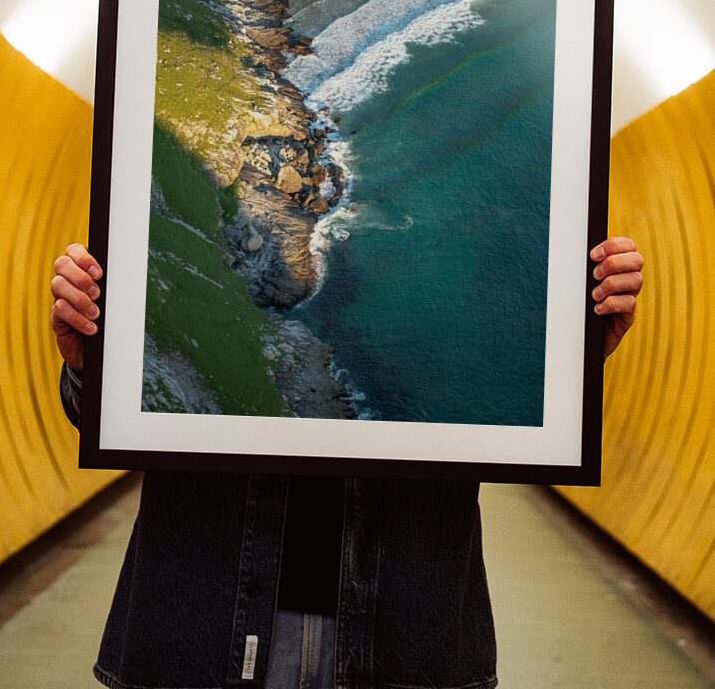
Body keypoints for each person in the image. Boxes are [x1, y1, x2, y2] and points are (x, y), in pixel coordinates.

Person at [51, 237, 644, 689]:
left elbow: (515, 415)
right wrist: (93, 367)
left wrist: (569, 359)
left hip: (405, 632)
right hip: (202, 623)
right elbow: (112, 416)